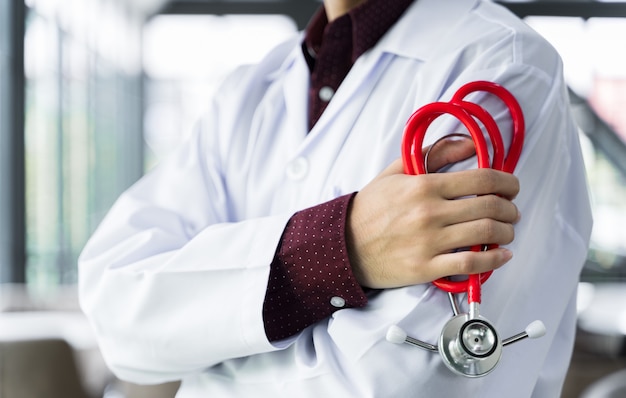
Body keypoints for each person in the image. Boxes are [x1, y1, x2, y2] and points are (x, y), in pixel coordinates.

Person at [78, 0, 593, 396]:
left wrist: (209, 346)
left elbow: (415, 382)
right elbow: (117, 315)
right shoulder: (246, 94)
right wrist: (339, 247)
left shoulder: (501, 65)